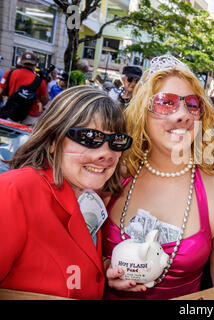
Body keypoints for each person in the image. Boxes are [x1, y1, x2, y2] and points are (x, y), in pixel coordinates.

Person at [102, 54, 214, 299]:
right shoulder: (113, 174)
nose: (182, 115)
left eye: (192, 104)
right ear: (142, 112)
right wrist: (102, 268)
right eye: (166, 102)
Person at [0, 85, 132, 299]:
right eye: (90, 138)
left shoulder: (90, 199)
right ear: (53, 141)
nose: (107, 154)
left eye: (116, 142)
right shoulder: (12, 192)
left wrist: (104, 270)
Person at [0, 51, 49, 126]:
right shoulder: (40, 81)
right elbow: (45, 100)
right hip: (30, 117)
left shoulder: (9, 73)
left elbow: (1, 91)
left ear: (21, 62)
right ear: (35, 64)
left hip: (11, 113)